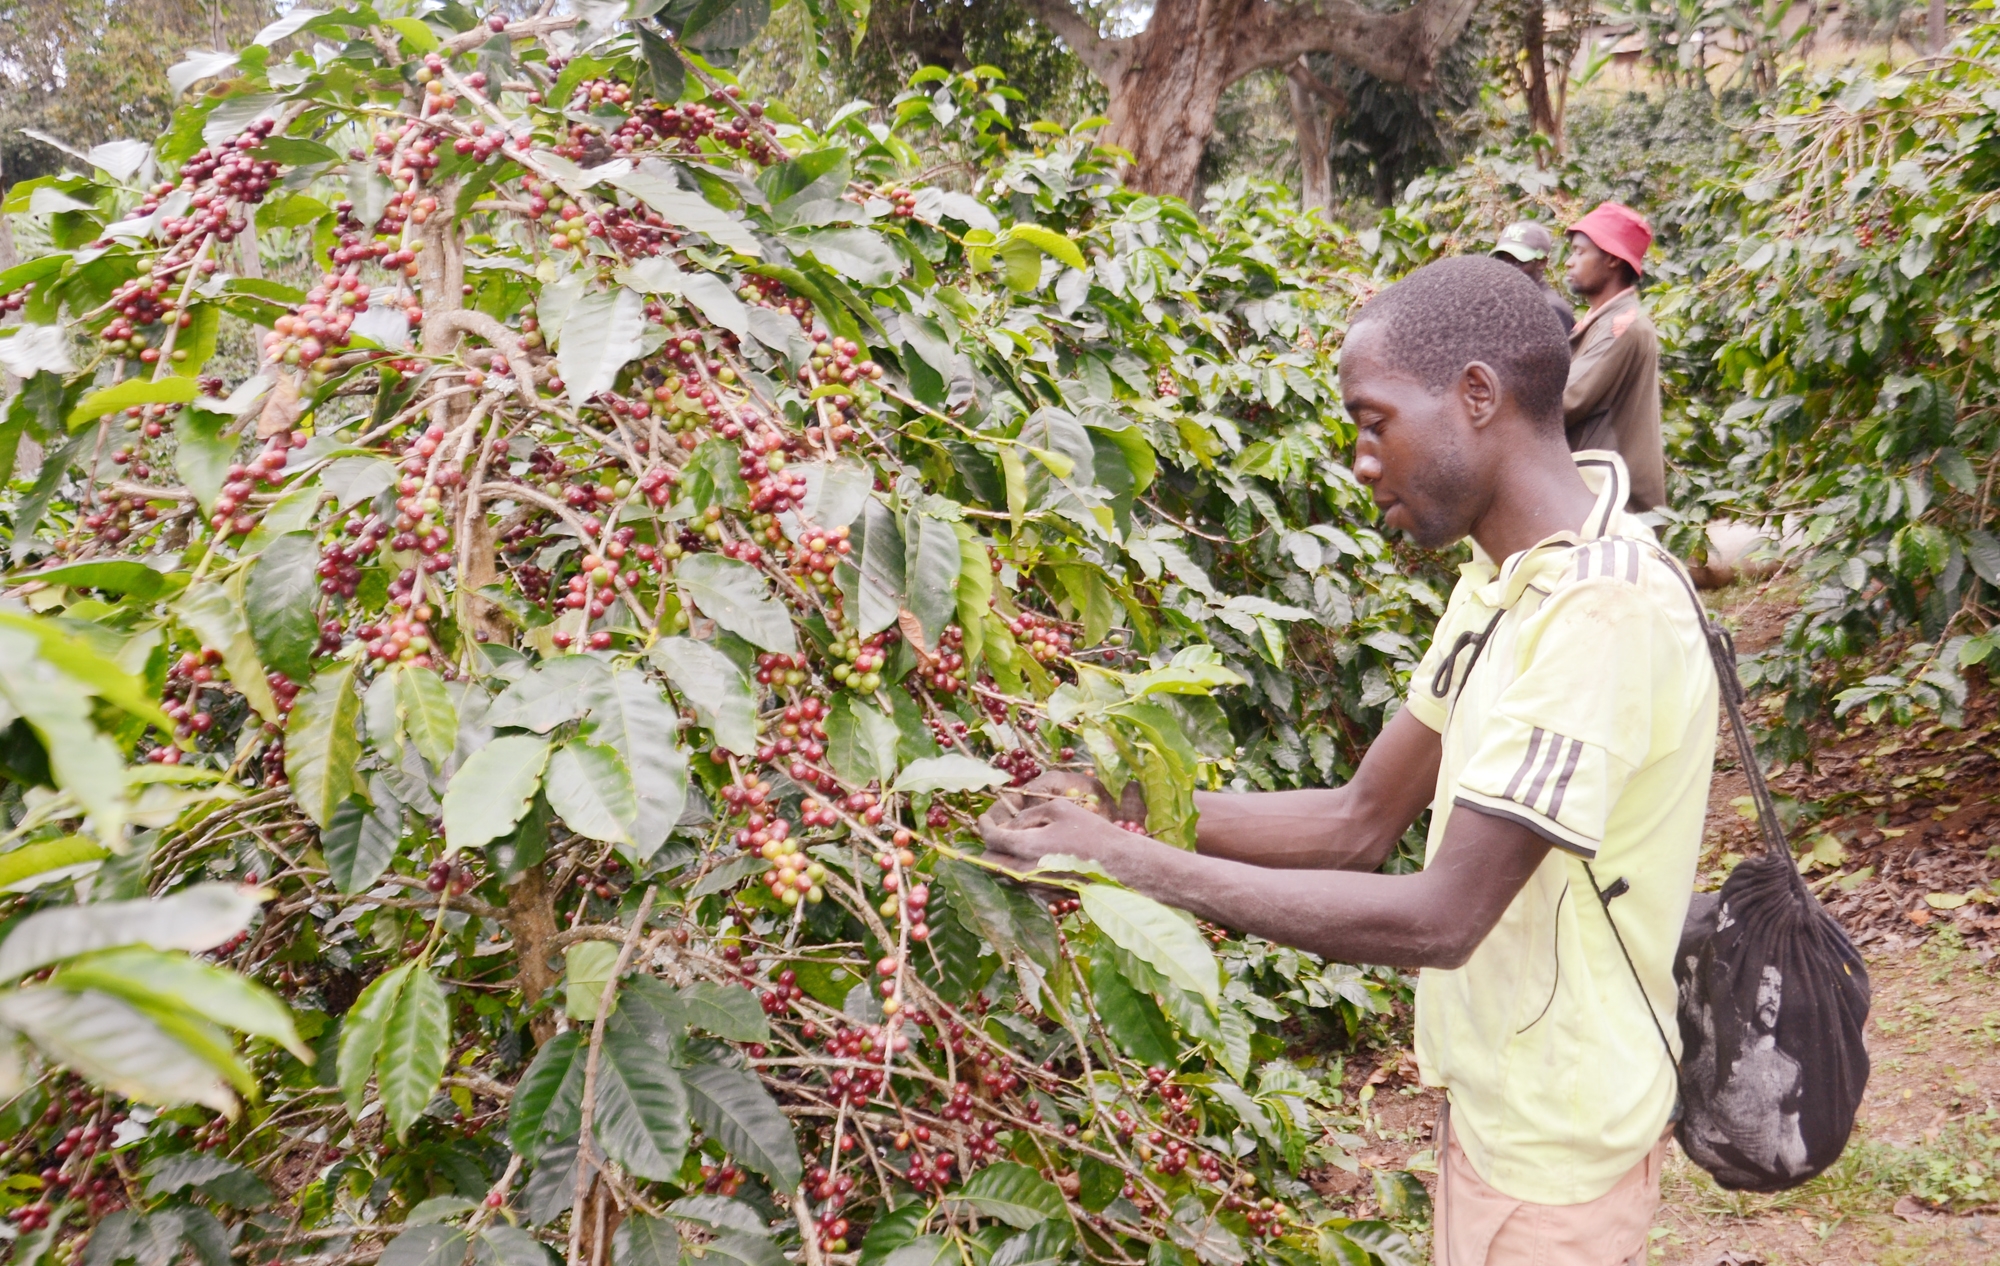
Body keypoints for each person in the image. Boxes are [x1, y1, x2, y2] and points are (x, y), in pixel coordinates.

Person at [979, 256, 1719, 1266]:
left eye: (1373, 423)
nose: (1361, 460)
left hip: (1557, 1148)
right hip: (1496, 1108)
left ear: (1474, 396)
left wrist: (1123, 862)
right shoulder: (1503, 582)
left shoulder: (1600, 612)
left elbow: (1442, 917)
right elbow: (1357, 819)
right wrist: (1110, 807)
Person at [1562, 202, 1665, 512]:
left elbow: (1566, 398)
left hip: (1613, 506)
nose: (1568, 262)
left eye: (1580, 253)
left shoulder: (1622, 326)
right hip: (1597, 497)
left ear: (1610, 259)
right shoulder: (1602, 321)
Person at [1490, 221, 1575, 334]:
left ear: (1541, 262)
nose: (1508, 268)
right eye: (1504, 261)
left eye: (1517, 262)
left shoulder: (1551, 309)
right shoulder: (1503, 302)